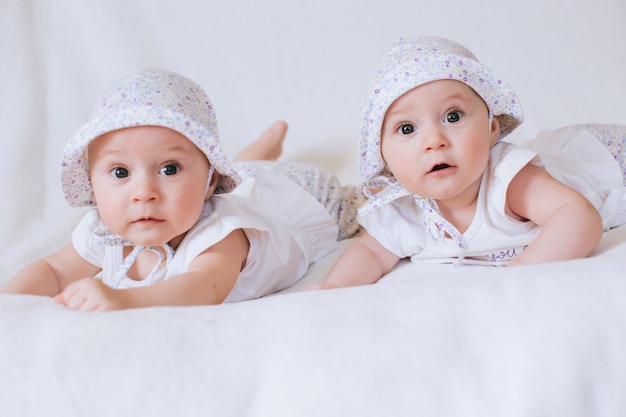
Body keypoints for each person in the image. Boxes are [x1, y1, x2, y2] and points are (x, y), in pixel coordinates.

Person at [1, 67, 362, 310]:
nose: (143, 192)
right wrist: (10, 304)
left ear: (209, 183)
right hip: (243, 181)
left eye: (169, 168)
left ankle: (265, 151)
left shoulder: (221, 235)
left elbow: (204, 287)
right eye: (120, 172)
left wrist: (123, 300)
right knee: (245, 171)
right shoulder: (105, 231)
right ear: (93, 185)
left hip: (294, 197)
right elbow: (51, 269)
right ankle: (261, 149)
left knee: (353, 207)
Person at [309, 36, 626, 290]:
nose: (434, 140)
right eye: (407, 129)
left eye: (453, 116)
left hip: (605, 157)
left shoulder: (508, 179)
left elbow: (578, 216)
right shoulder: (403, 210)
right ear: (383, 158)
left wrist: (522, 273)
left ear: (491, 128)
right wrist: (333, 286)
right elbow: (371, 254)